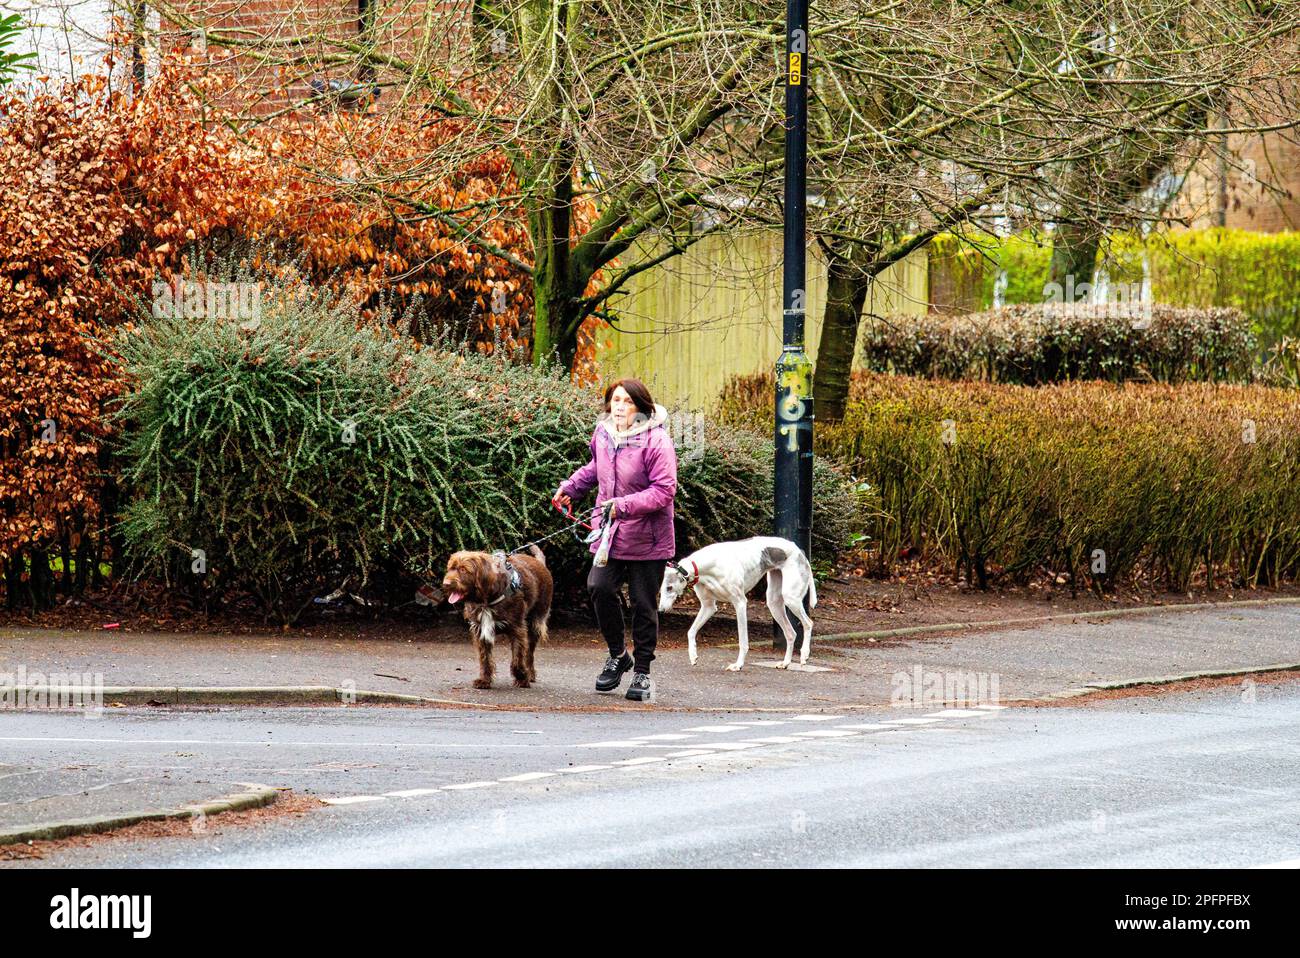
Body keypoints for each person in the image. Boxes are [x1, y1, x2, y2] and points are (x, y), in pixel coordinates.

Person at [554, 378, 678, 702]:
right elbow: (596, 468)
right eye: (615, 400)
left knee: (643, 603)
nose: (620, 407)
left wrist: (623, 506)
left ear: (642, 408)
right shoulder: (604, 433)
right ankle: (619, 656)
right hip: (610, 533)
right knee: (599, 587)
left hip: (648, 538)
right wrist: (571, 488)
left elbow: (665, 490)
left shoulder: (656, 440)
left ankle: (643, 673)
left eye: (627, 402)